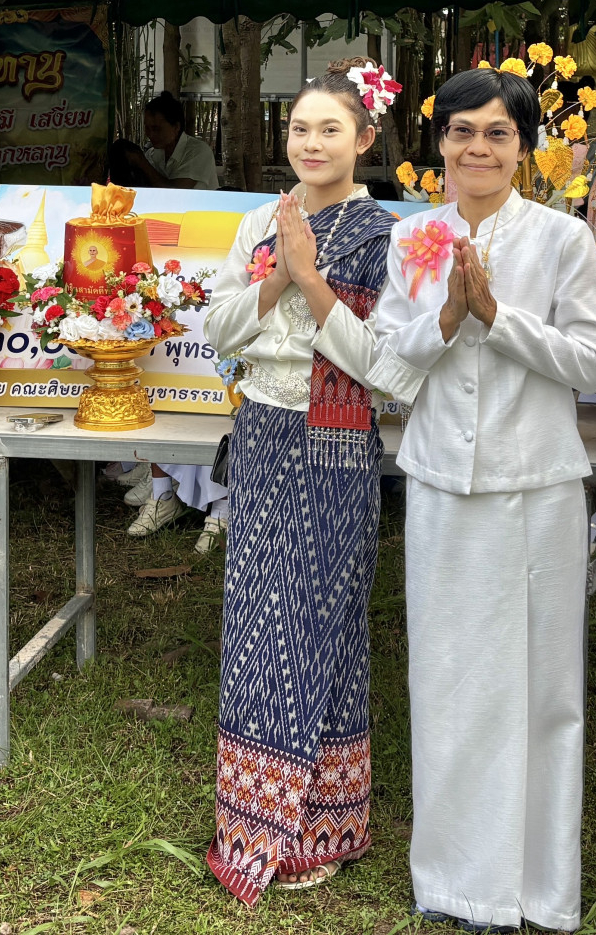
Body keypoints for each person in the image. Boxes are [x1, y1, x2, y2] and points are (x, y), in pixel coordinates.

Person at [372, 65, 596, 932]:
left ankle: (537, 888)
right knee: (447, 680)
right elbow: (384, 365)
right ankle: (454, 882)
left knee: (543, 689)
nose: (478, 147)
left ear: (524, 148)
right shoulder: (411, 238)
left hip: (537, 486)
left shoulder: (561, 239)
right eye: (461, 131)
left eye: (497, 133)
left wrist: (496, 317)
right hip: (442, 482)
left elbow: (591, 362)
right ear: (438, 142)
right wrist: (443, 320)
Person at [200, 60, 412, 904]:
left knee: (323, 616)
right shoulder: (261, 222)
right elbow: (219, 330)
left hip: (336, 434)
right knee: (259, 617)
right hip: (261, 426)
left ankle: (325, 822)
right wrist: (281, 272)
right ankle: (255, 817)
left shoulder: (388, 236)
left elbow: (384, 366)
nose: (312, 143)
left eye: (330, 129)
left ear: (365, 139)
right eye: (299, 129)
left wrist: (313, 280)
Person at [117, 91, 218, 190]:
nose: (150, 134)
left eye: (156, 129)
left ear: (176, 127)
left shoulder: (198, 152)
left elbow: (176, 193)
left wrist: (142, 163)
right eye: (147, 128)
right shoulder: (151, 155)